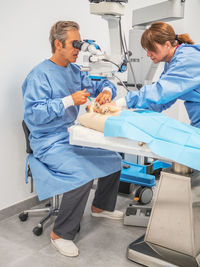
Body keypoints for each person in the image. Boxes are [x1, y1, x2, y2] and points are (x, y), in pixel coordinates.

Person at [22, 21, 123, 257]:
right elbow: (33, 114)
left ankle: (100, 207)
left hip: (71, 135)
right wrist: (68, 100)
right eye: (75, 44)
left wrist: (107, 91)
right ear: (58, 44)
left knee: (114, 158)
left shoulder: (75, 71)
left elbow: (102, 83)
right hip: (47, 142)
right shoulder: (39, 75)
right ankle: (61, 234)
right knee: (81, 174)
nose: (79, 49)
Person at [100, 22, 200, 129]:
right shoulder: (172, 63)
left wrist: (120, 103)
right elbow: (161, 101)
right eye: (147, 50)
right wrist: (127, 112)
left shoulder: (186, 59)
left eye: (152, 49)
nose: (148, 54)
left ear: (167, 44)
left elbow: (160, 92)